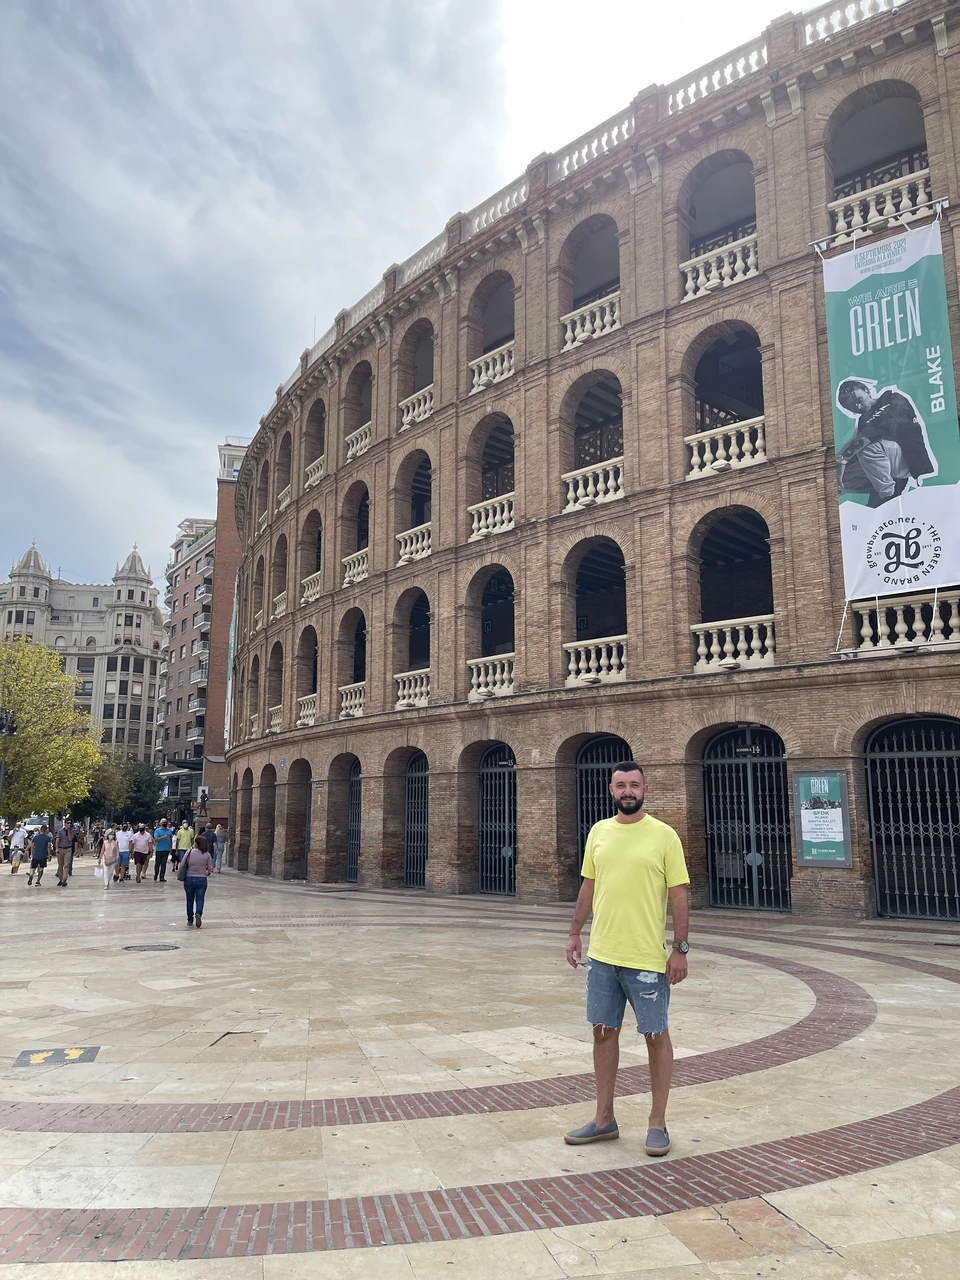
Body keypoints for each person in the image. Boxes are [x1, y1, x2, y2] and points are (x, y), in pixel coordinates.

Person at [564, 761, 689, 1156]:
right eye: (621, 785)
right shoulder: (599, 833)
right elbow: (588, 885)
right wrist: (574, 932)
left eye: (634, 785)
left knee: (656, 1036)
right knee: (603, 1032)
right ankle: (604, 1119)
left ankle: (657, 1122)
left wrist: (680, 948)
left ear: (645, 790)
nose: (628, 791)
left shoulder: (665, 836)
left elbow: (679, 892)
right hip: (602, 955)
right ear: (611, 790)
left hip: (647, 959)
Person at [835, 378, 936, 507]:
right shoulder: (862, 421)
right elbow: (855, 444)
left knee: (866, 447)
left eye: (859, 400)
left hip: (909, 459)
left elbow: (879, 425)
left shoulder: (891, 398)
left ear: (867, 391)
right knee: (872, 510)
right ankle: (882, 497)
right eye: (854, 408)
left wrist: (843, 458)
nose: (859, 407)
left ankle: (887, 493)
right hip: (888, 470)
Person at [180, 833, 213, 928]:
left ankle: (190, 919)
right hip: (201, 879)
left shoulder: (189, 852)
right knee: (200, 898)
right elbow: (210, 868)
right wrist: (207, 872)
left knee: (189, 899)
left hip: (189, 878)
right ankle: (198, 913)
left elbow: (182, 864)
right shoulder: (207, 854)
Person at [54, 819, 74, 887]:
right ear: (65, 823)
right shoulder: (60, 831)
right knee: (60, 865)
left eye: (70, 823)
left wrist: (68, 831)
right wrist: (56, 848)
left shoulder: (72, 831)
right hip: (60, 849)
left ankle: (64, 879)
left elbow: (70, 839)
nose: (69, 824)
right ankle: (61, 879)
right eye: (68, 823)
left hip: (68, 849)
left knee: (66, 865)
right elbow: (57, 840)